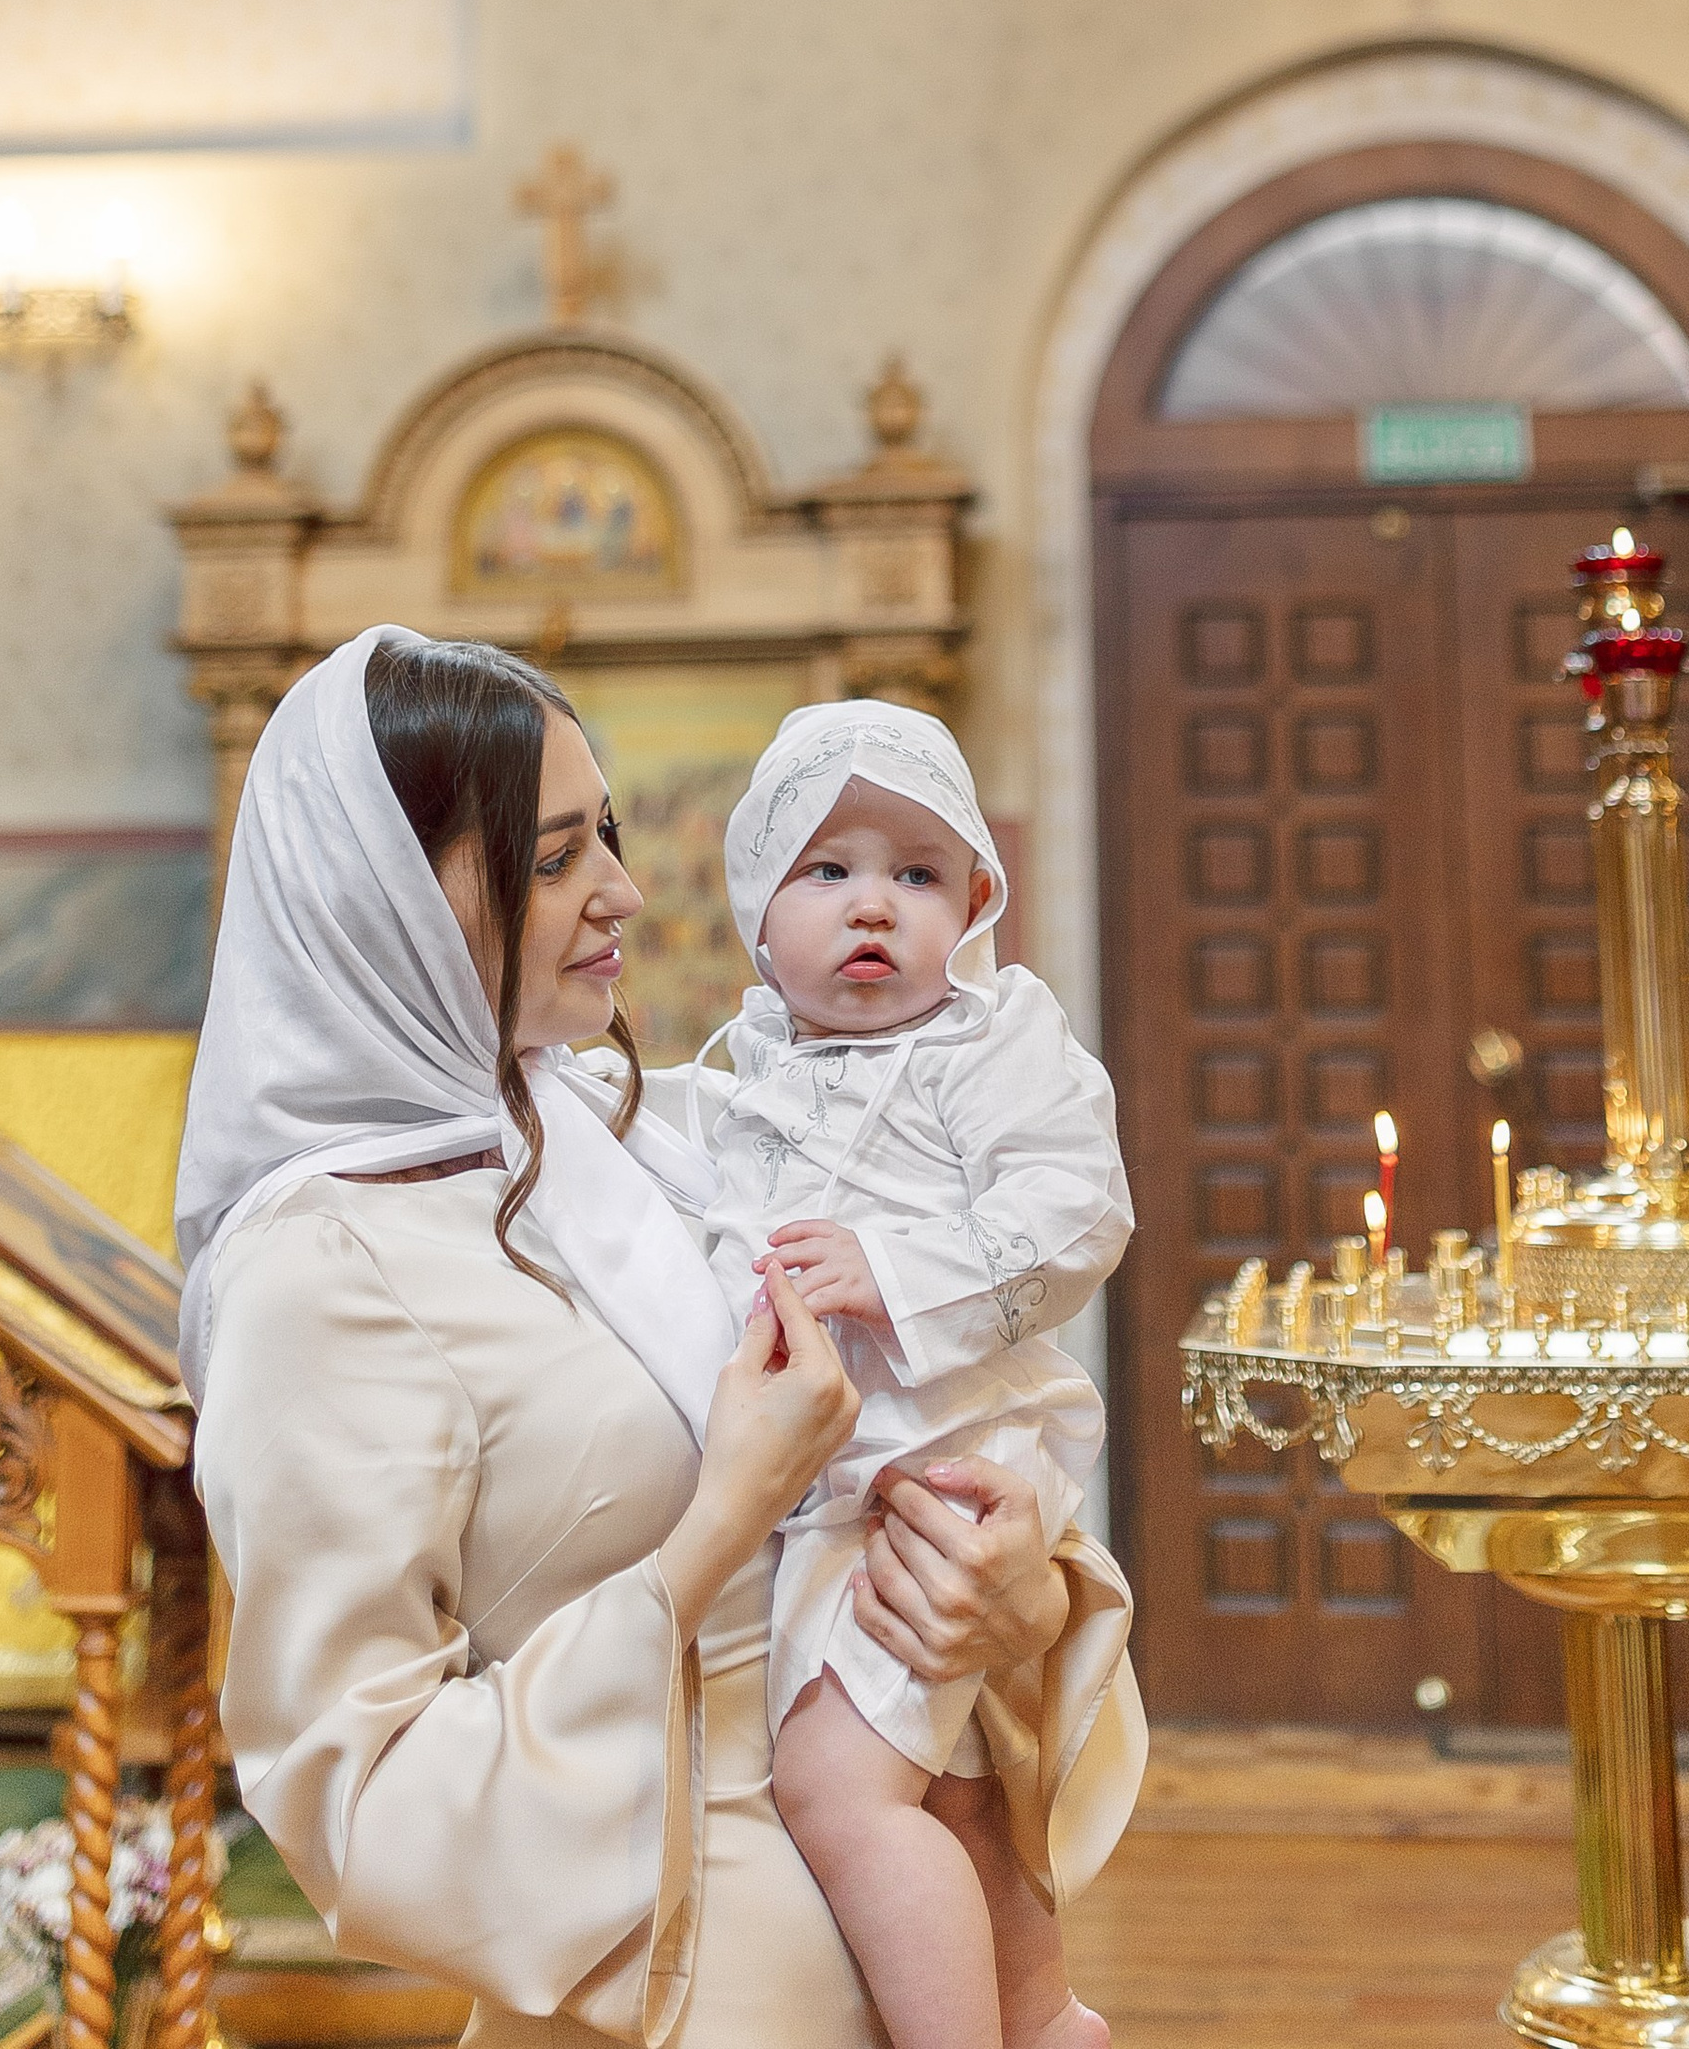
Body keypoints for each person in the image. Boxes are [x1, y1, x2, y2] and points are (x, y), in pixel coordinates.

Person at [176, 632, 1143, 2047]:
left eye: (609, 836)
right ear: (385, 895)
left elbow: (933, 1411)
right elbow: (362, 1809)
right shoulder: (319, 1269)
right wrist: (720, 1521)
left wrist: (1021, 1597)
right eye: (557, 856)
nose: (625, 891)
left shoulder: (650, 1137)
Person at [706, 704, 1129, 2049]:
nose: (873, 906)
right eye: (827, 872)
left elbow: (1078, 1214)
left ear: (976, 904)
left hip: (944, 1460)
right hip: (841, 1468)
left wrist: (896, 1273)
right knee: (948, 1784)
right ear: (755, 911)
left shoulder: (990, 1040)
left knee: (838, 1789)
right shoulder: (739, 1076)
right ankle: (1040, 2017)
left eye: (918, 873)